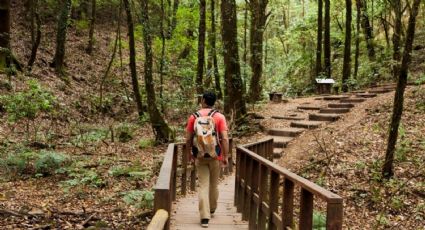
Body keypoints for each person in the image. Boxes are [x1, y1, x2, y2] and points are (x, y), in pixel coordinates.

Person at [185, 91, 229, 228]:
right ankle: (212, 208)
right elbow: (225, 138)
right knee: (214, 184)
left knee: (203, 185)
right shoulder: (219, 117)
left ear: (203, 100)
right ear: (214, 101)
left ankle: (204, 218)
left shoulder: (194, 116)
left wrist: (189, 154)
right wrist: (226, 156)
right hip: (215, 155)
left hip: (200, 155)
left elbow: (188, 138)